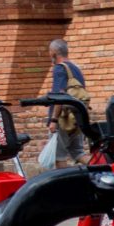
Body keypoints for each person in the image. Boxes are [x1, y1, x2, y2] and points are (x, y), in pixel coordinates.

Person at [36, 38, 87, 168]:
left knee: (59, 157)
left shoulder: (59, 68)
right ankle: (104, 170)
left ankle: (67, 187)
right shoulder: (76, 69)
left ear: (53, 53)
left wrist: (53, 120)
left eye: (49, 52)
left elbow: (59, 96)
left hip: (63, 119)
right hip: (77, 118)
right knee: (79, 153)